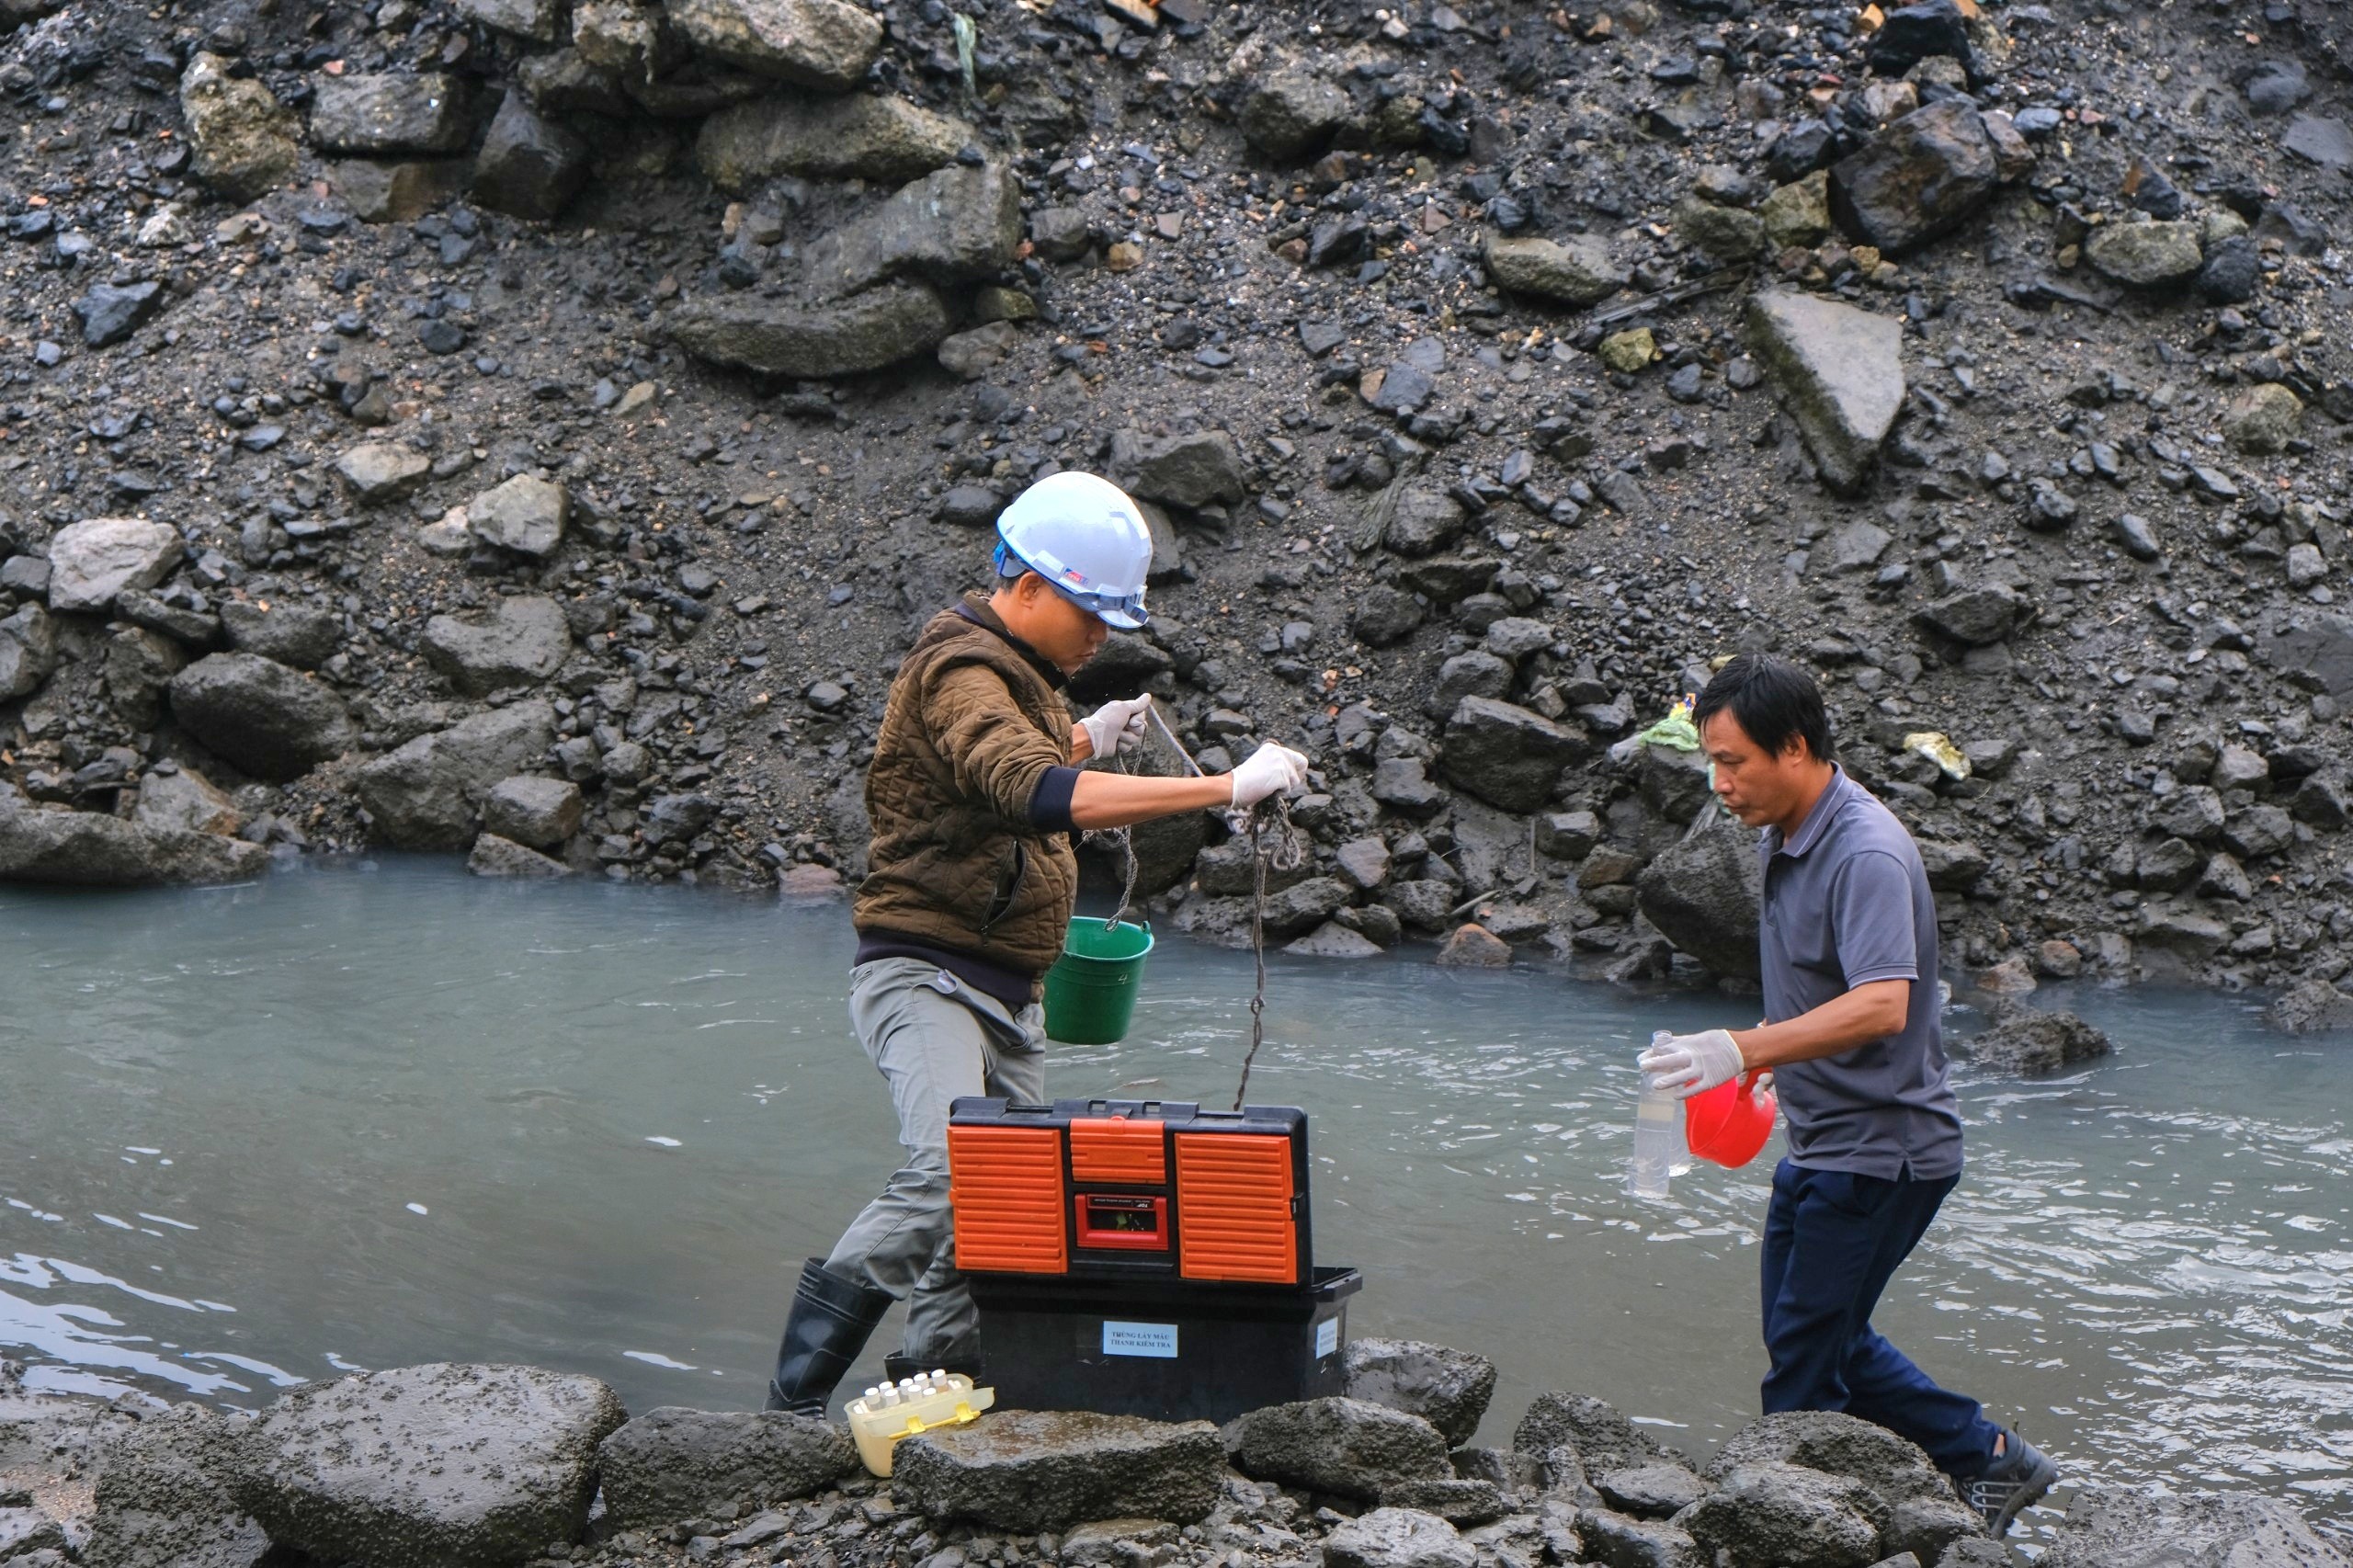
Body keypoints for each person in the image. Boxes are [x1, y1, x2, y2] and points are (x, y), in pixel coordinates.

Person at [761, 470, 1312, 1417]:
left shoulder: (1014, 676)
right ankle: (791, 1401)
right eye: (1088, 613)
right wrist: (1226, 787)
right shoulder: (960, 666)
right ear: (1025, 586)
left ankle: (939, 1384)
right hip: (924, 970)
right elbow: (1030, 790)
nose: (1099, 636)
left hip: (1010, 986)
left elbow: (1016, 757)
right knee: (947, 1167)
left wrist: (1086, 734)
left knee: (1006, 1199)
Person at [1640, 653, 2059, 1536]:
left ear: (1794, 748)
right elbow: (1815, 987)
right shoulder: (1787, 833)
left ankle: (1786, 1529)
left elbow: (1881, 1004)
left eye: (1733, 762)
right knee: (1821, 1336)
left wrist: (1738, 1045)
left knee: (1802, 1364)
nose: (1719, 783)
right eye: (1711, 762)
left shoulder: (1863, 849)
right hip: (1822, 1139)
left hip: (1884, 1152)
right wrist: (1759, 1061)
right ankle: (1987, 1459)